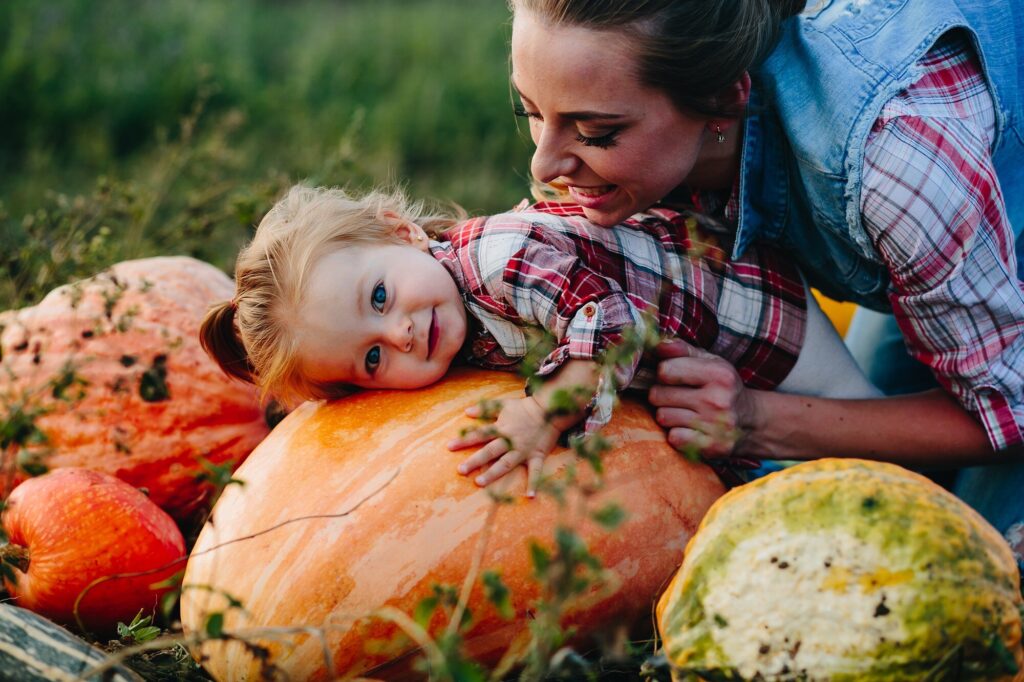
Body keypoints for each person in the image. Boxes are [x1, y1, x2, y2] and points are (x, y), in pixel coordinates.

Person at [506, 0, 1023, 556]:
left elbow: (1011, 412)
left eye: (597, 133)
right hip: (943, 245)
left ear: (724, 101)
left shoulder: (894, 161)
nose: (543, 165)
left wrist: (754, 420)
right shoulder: (646, 120)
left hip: (961, 208)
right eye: (531, 112)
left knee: (972, 553)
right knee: (871, 490)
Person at [200, 184, 878, 496]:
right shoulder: (447, 312)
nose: (400, 332)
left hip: (753, 319)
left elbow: (608, 325)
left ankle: (935, 477)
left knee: (858, 427)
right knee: (796, 482)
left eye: (379, 297)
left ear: (399, 232)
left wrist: (540, 411)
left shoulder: (501, 258)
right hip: (702, 370)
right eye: (371, 357)